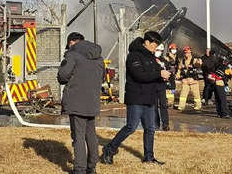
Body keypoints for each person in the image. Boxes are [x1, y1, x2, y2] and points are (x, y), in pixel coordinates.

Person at [101, 31, 171, 165]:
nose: (156, 47)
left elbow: (153, 75)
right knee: (131, 127)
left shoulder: (151, 57)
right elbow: (140, 75)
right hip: (136, 98)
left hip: (149, 98)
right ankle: (109, 149)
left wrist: (163, 76)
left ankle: (149, 158)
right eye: (154, 44)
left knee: (150, 129)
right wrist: (158, 73)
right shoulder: (133, 56)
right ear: (147, 42)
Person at [57, 32, 104, 174]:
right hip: (93, 100)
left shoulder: (72, 54)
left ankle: (79, 169)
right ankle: (92, 167)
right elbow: (101, 77)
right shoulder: (99, 57)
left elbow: (63, 76)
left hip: (77, 100)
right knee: (91, 134)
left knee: (78, 136)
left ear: (72, 42)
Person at [206, 50, 231, 118]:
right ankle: (225, 113)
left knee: (217, 98)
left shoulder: (210, 61)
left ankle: (219, 113)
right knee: (222, 98)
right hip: (219, 82)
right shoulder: (218, 63)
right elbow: (222, 73)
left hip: (213, 82)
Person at [177, 46, 202, 111]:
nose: (187, 54)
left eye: (188, 53)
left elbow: (198, 65)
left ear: (191, 53)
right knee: (183, 94)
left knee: (196, 94)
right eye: (185, 53)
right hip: (185, 80)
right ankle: (181, 106)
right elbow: (179, 69)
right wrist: (178, 75)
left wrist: (199, 63)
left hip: (193, 80)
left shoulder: (195, 60)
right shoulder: (182, 61)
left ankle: (198, 106)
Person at [153, 44, 170, 131]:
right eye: (157, 50)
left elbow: (169, 71)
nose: (158, 52)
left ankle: (165, 124)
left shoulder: (164, 61)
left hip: (161, 84)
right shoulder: (150, 59)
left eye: (160, 51)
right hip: (153, 85)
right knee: (154, 105)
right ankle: (156, 124)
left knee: (163, 104)